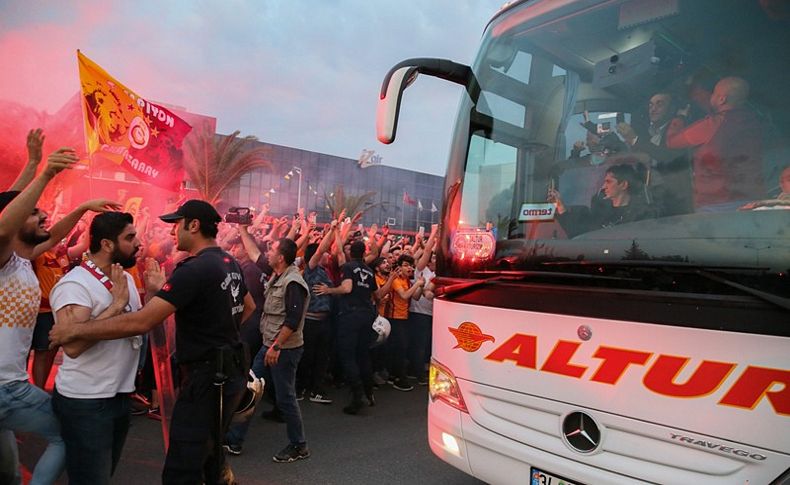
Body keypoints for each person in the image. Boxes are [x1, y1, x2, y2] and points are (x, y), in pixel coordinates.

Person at [49, 199, 255, 485]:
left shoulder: (192, 270)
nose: (171, 234)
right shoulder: (227, 261)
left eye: (176, 226)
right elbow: (249, 308)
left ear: (193, 226)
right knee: (207, 459)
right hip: (223, 373)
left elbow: (143, 321)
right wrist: (216, 330)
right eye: (131, 237)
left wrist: (73, 331)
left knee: (182, 470)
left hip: (206, 379)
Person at [0, 147, 79, 485]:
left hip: (8, 387)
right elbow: (4, 223)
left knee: (8, 472)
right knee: (69, 434)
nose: (43, 217)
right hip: (7, 388)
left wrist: (83, 209)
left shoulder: (22, 256)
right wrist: (43, 173)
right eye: (34, 213)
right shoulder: (2, 259)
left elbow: (56, 234)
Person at [49, 211, 143, 484]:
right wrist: (114, 306)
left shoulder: (123, 278)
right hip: (87, 401)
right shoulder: (75, 284)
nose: (138, 243)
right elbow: (74, 347)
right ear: (106, 244)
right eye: (130, 237)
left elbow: (132, 325)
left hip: (119, 396)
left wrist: (153, 292)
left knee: (101, 476)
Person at [313, 240, 392, 415]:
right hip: (367, 315)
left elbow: (347, 288)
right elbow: (378, 295)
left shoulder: (349, 267)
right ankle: (369, 392)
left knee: (348, 355)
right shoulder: (369, 271)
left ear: (352, 253)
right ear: (364, 253)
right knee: (363, 355)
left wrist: (329, 290)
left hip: (350, 316)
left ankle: (358, 396)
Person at [666, 76, 764, 210]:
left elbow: (672, 141)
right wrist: (694, 90)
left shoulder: (714, 125)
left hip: (717, 204)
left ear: (722, 99)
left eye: (714, 92)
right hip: (752, 201)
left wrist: (680, 117)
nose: (710, 95)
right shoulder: (752, 121)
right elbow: (716, 104)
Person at [258, 237, 311, 462]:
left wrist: (277, 346)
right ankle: (234, 438)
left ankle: (299, 445)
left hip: (283, 348)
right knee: (251, 385)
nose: (267, 253)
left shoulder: (293, 282)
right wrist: (242, 229)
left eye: (271, 249)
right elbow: (254, 255)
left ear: (280, 257)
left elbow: (293, 319)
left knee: (286, 396)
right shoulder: (278, 274)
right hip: (269, 344)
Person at [617, 92, 692, 215]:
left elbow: (669, 157)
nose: (653, 109)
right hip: (654, 201)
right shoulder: (650, 132)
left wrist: (635, 139)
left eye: (659, 105)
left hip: (675, 203)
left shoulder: (677, 128)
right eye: (651, 105)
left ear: (671, 109)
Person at [548, 163, 656, 237]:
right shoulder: (600, 212)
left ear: (623, 185)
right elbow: (579, 235)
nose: (603, 186)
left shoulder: (642, 215)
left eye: (608, 182)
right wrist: (561, 207)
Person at [297, 221, 338, 404]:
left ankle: (316, 390)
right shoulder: (311, 270)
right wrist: (332, 230)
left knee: (322, 358)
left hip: (324, 322)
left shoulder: (325, 272)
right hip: (310, 322)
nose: (327, 254)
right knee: (307, 356)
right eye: (324, 252)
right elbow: (321, 250)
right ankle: (300, 388)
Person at [386, 254, 425, 392]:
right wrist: (417, 285)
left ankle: (393, 376)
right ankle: (399, 379)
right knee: (400, 349)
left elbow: (416, 296)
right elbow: (404, 295)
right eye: (406, 265)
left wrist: (420, 286)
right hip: (395, 318)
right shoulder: (396, 280)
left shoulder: (408, 281)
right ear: (399, 267)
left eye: (411, 265)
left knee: (400, 348)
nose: (410, 268)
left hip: (404, 318)